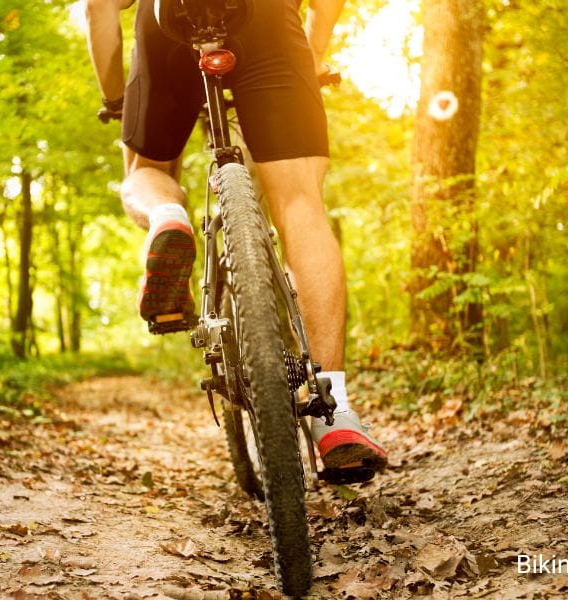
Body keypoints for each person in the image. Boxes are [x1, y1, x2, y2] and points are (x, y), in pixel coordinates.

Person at [84, 0, 387, 479]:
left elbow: (99, 8)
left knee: (146, 171)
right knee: (300, 202)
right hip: (268, 20)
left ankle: (167, 217)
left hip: (170, 21)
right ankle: (334, 411)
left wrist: (117, 99)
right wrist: (310, 55)